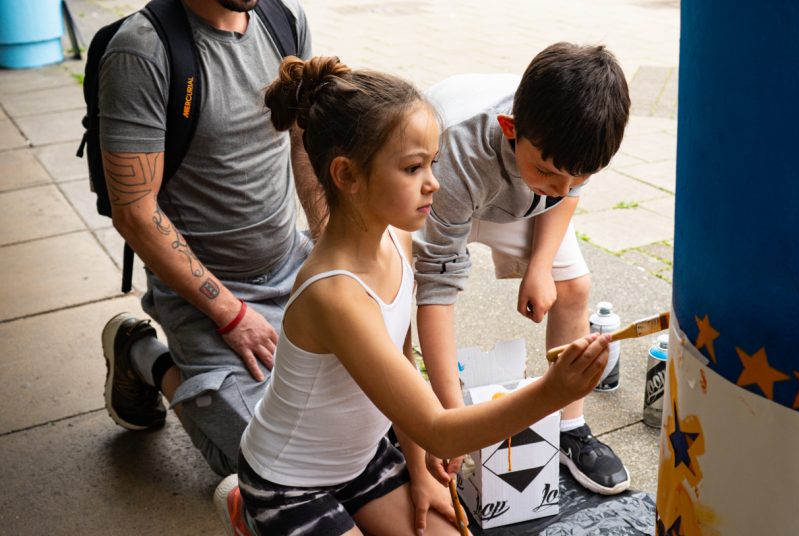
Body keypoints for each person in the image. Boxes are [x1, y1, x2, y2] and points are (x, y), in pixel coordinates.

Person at [232, 55, 613, 536]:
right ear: (347, 176)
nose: (434, 181)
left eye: (433, 162)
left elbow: (405, 364)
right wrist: (553, 392)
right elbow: (436, 425)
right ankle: (243, 506)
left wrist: (418, 467)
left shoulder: (398, 240)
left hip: (363, 461)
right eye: (414, 167)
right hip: (289, 484)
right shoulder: (335, 295)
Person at [98, 0, 320, 481]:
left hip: (291, 265)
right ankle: (143, 355)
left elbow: (303, 142)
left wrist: (333, 247)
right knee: (265, 466)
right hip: (204, 296)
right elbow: (134, 211)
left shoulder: (284, 18)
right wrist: (230, 313)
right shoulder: (142, 51)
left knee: (359, 424)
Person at [414, 42, 633, 496]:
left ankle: (571, 427)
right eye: (550, 172)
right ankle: (418, 415)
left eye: (581, 177)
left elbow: (563, 189)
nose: (564, 188)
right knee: (395, 298)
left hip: (516, 194)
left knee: (573, 287)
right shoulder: (457, 152)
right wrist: (455, 424)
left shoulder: (569, 141)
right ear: (510, 128)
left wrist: (540, 265)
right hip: (441, 186)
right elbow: (436, 286)